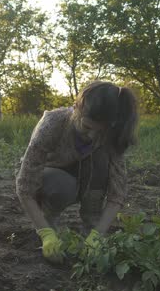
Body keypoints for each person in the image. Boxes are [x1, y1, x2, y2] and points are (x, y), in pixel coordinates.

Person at [16, 81, 138, 263]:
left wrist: (99, 233)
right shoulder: (52, 124)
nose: (92, 136)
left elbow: (117, 192)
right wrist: (45, 232)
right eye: (87, 127)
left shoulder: (111, 135)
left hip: (87, 175)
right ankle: (49, 219)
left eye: (100, 131)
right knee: (62, 185)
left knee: (101, 159)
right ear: (76, 109)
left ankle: (91, 228)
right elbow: (25, 186)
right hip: (53, 175)